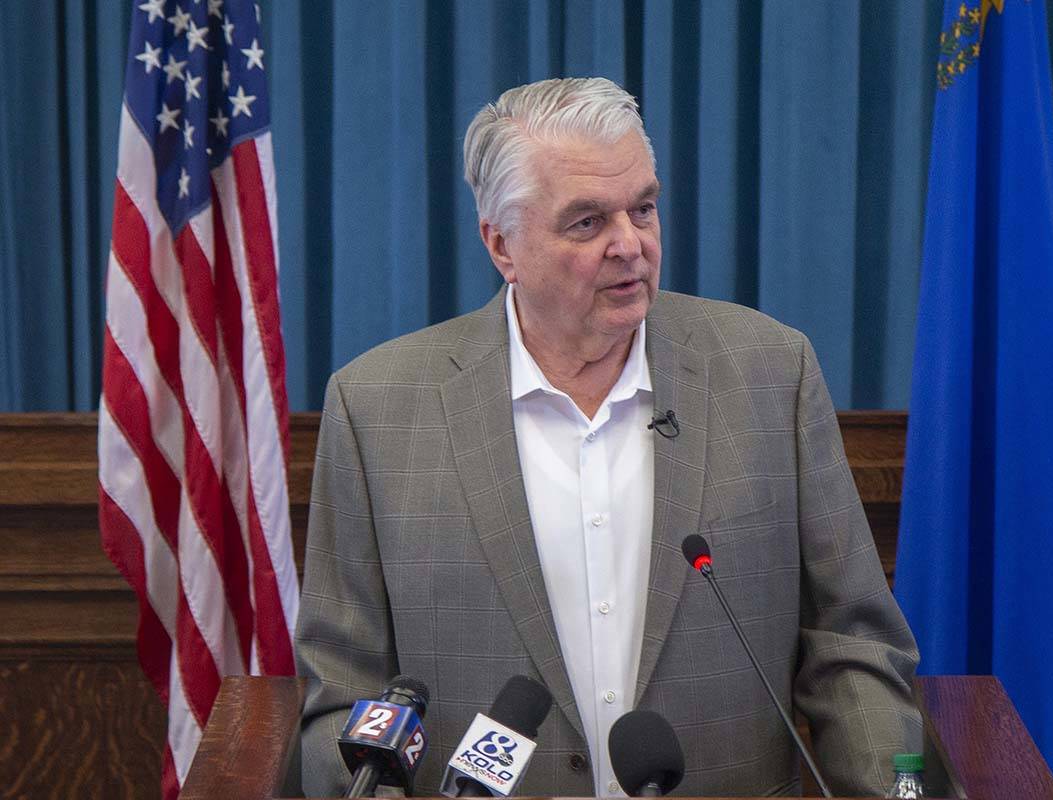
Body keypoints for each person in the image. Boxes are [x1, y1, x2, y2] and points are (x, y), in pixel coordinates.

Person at [295, 77, 921, 798]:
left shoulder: (770, 375)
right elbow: (343, 691)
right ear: (503, 245)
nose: (631, 245)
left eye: (644, 209)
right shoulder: (378, 409)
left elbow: (854, 645)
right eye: (587, 223)